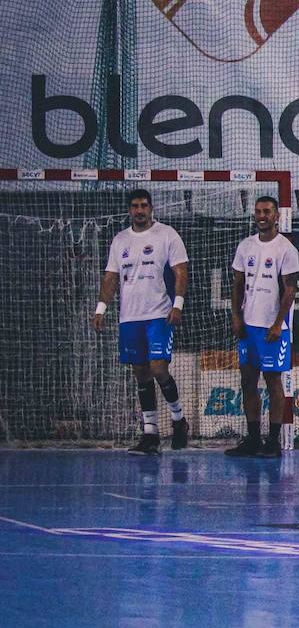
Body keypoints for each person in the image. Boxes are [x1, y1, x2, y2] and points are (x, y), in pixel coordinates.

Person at [92, 189, 190, 455]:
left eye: (144, 205)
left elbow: (181, 271)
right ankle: (150, 434)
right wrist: (101, 308)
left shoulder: (167, 235)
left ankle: (179, 420)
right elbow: (111, 277)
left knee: (159, 369)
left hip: (159, 315)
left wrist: (178, 304)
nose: (139, 210)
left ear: (151, 207)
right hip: (130, 318)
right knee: (141, 375)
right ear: (129, 209)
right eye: (135, 206)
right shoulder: (120, 240)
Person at [227, 195, 299, 458]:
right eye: (258, 211)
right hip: (248, 326)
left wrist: (279, 323)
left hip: (272, 329)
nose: (261, 216)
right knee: (248, 381)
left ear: (277, 215)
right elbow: (236, 284)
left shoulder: (286, 249)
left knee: (273, 381)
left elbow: (290, 289)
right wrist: (236, 316)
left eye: (267, 211)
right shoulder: (245, 246)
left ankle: (274, 441)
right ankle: (254, 439)